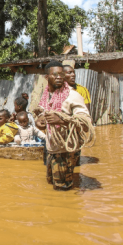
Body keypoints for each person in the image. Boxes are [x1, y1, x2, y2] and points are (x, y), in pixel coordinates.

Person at [34, 61, 93, 191]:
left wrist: (62, 121)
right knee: (51, 183)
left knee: (63, 189)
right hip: (52, 148)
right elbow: (44, 113)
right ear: (46, 77)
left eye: (61, 74)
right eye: (55, 75)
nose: (59, 77)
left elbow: (86, 122)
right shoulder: (46, 94)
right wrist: (40, 120)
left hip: (66, 151)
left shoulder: (72, 96)